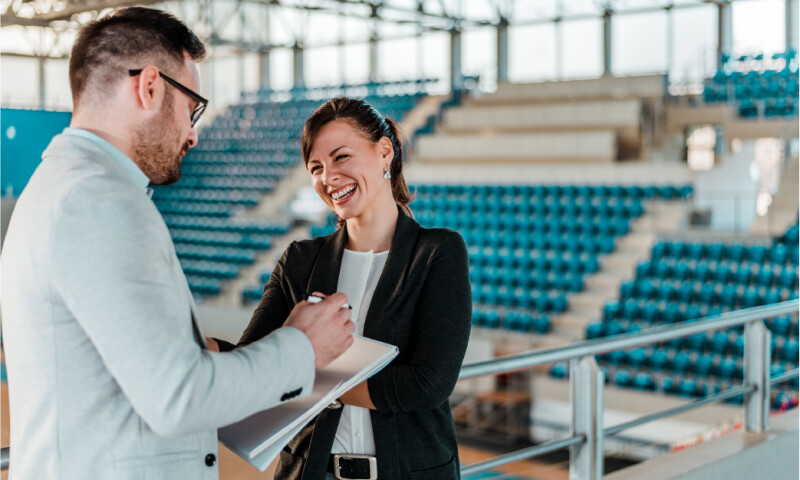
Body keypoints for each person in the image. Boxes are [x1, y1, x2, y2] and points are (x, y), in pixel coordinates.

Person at [0, 7, 354, 480]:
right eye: (192, 108)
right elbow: (179, 398)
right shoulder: (100, 201)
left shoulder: (61, 186)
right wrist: (302, 347)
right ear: (148, 87)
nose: (193, 134)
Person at [233, 97, 472, 480]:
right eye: (316, 168)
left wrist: (298, 373)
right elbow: (250, 362)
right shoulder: (299, 259)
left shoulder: (437, 252)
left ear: (384, 152)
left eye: (341, 157)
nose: (328, 177)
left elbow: (426, 385)